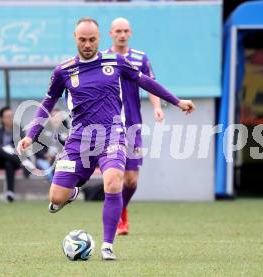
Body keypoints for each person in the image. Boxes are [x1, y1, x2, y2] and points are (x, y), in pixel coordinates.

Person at [17, 18, 194, 261]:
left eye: (92, 39)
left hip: (112, 134)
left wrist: (177, 101)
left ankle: (107, 245)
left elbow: (146, 81)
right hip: (79, 140)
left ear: (99, 39)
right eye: (82, 39)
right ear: (75, 38)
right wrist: (30, 135)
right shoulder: (63, 71)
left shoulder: (116, 61)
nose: (87, 44)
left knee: (113, 181)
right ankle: (71, 193)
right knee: (56, 197)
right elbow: (47, 103)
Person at [105, 17, 164, 236]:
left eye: (126, 30)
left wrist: (157, 107)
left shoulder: (140, 58)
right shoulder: (104, 59)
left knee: (131, 179)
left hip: (133, 125)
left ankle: (121, 209)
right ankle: (118, 217)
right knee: (115, 176)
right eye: (118, 31)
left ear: (131, 33)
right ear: (110, 33)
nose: (122, 34)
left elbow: (151, 84)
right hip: (108, 126)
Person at [0, 106, 32, 202]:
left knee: (9, 163)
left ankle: (10, 193)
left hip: (12, 159)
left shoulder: (19, 130)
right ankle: (22, 162)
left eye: (12, 116)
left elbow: (20, 147)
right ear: (2, 119)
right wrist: (6, 150)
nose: (11, 118)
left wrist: (10, 150)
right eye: (8, 116)